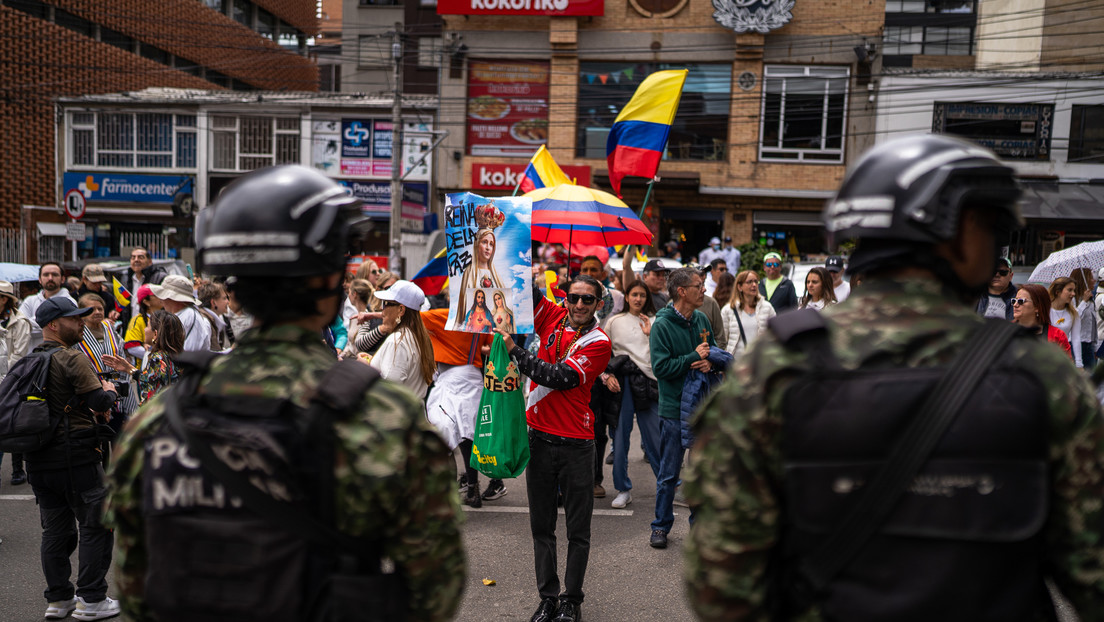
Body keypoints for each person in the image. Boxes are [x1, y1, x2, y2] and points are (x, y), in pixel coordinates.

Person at [685, 134, 1104, 620]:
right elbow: (1092, 570)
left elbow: (720, 582)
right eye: (993, 229)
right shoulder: (1041, 376)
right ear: (965, 232)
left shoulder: (777, 365)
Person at [104, 164, 465, 622]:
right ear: (328, 281)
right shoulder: (383, 419)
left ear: (233, 286)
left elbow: (136, 587)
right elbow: (435, 590)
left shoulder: (156, 423)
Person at [497, 275, 612, 622]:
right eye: (573, 297)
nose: (579, 305)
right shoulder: (549, 315)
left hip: (577, 445)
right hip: (539, 441)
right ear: (565, 297)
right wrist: (505, 232)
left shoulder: (599, 341)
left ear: (598, 305)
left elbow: (559, 377)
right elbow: (519, 286)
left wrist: (515, 351)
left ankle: (571, 601)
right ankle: (547, 598)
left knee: (578, 531)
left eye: (587, 300)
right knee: (541, 528)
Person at [27, 297, 120, 621]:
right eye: (73, 318)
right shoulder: (71, 358)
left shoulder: (28, 360)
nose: (81, 322)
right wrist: (110, 389)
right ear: (54, 325)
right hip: (77, 458)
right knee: (96, 525)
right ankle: (92, 599)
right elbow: (97, 400)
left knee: (55, 531)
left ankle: (59, 600)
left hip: (38, 461)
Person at [647, 266, 716, 550]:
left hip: (700, 408)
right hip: (674, 409)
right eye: (699, 285)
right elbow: (661, 368)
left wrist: (711, 362)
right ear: (681, 291)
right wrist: (692, 357)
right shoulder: (661, 325)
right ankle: (660, 527)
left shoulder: (701, 318)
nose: (704, 290)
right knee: (669, 473)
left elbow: (712, 351)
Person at [603, 280, 661, 510]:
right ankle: (622, 488)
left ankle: (668, 484)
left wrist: (649, 334)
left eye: (642, 295)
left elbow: (658, 354)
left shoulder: (655, 321)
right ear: (626, 297)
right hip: (623, 381)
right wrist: (607, 375)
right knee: (620, 437)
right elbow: (603, 351)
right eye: (634, 294)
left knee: (655, 437)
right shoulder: (614, 321)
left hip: (648, 382)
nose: (638, 299)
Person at [75, 294, 135, 436]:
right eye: (92, 309)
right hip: (93, 393)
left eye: (100, 308)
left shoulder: (109, 327)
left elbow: (121, 353)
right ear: (82, 312)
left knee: (119, 437)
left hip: (118, 389)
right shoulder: (77, 334)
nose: (97, 312)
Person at [368, 280, 436, 401]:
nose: (381, 309)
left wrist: (365, 367)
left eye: (386, 303)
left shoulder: (397, 341)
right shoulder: (418, 336)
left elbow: (390, 391)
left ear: (401, 310)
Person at [103, 309, 184, 406]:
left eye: (148, 326)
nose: (145, 330)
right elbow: (151, 378)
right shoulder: (179, 354)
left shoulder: (157, 358)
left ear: (155, 334)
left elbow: (151, 396)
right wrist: (129, 369)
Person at [0, 279, 31, 487]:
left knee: (15, 425)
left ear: (6, 300)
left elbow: (19, 355)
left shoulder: (20, 321)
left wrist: (5, 378)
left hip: (12, 380)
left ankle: (18, 469)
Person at [455, 203, 505, 328]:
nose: (488, 247)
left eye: (491, 244)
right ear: (477, 244)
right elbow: (465, 308)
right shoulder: (470, 272)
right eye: (484, 242)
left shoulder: (496, 275)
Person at [20, 262, 76, 350]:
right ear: (39, 279)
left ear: (63, 279)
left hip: (59, 355)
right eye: (46, 275)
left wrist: (30, 324)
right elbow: (20, 327)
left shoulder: (69, 302)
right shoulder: (29, 301)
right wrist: (48, 324)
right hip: (33, 356)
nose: (50, 278)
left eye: (54, 275)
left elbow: (64, 330)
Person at [148, 275, 211, 353]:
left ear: (173, 298)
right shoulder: (184, 315)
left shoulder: (189, 316)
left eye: (164, 296)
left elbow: (189, 353)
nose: (161, 301)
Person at [722, 270, 776, 359]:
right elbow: (722, 339)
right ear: (739, 287)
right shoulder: (728, 310)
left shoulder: (767, 307)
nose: (754, 285)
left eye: (756, 281)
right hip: (736, 362)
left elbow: (775, 334)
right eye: (749, 282)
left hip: (760, 361)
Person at [1013, 283, 1073, 359]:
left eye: (1021, 301)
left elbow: (1066, 367)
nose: (1015, 304)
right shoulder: (1005, 331)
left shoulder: (1058, 336)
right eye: (1014, 300)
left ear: (1037, 307)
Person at [119, 247, 167, 329]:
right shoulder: (125, 279)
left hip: (152, 326)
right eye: (133, 257)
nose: (136, 260)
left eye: (140, 257)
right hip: (131, 327)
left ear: (149, 261)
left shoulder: (159, 278)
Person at [1049, 276, 1082, 368]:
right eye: (1070, 290)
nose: (1073, 294)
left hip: (1065, 357)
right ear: (1058, 292)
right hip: (1047, 356)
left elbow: (1076, 338)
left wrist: (1079, 363)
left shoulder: (1074, 312)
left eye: (1074, 290)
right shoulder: (1046, 310)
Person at [122, 285, 161, 362]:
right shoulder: (138, 320)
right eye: (156, 295)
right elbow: (132, 348)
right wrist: (155, 356)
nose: (161, 297)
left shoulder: (166, 317)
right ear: (146, 302)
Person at [1071, 267, 1098, 370]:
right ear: (1084, 280)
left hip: (1089, 345)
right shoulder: (1073, 299)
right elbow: (1074, 319)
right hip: (1077, 345)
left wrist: (1094, 346)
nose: (1094, 280)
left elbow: (1092, 325)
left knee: (1091, 381)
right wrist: (1083, 302)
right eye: (1091, 278)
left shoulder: (1091, 300)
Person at [197, 281, 233, 350]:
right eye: (224, 298)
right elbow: (205, 354)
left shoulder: (213, 319)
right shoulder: (205, 322)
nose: (228, 302)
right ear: (213, 302)